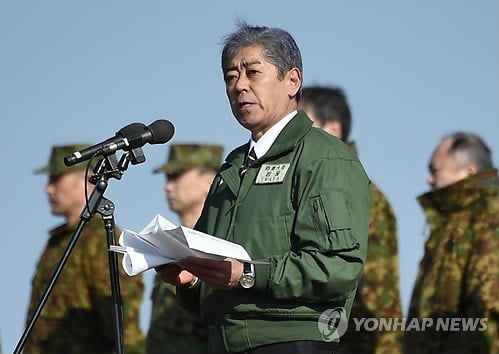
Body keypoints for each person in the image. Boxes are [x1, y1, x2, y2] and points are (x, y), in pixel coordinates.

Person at [156, 23, 371, 354]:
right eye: (230, 77)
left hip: (292, 342)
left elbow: (337, 267)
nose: (240, 86)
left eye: (252, 73)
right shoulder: (233, 166)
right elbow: (212, 269)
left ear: (292, 81)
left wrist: (249, 274)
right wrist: (191, 277)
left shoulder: (324, 157)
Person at [299, 86, 403, 353]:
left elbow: (373, 293)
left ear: (333, 130)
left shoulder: (356, 190)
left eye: (302, 123)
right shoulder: (310, 183)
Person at [25, 144, 145, 354]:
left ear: (86, 179)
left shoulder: (99, 239)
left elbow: (121, 324)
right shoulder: (60, 241)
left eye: (56, 179)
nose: (48, 189)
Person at [405, 133, 499, 353]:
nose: (429, 179)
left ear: (469, 172)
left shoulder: (489, 217)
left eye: (435, 170)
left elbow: (487, 312)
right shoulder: (450, 226)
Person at [146, 143, 223, 354]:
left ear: (210, 180)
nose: (167, 186)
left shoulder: (219, 248)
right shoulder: (169, 247)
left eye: (176, 176)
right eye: (167, 177)